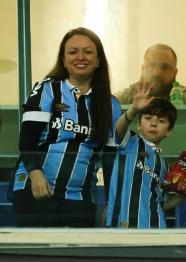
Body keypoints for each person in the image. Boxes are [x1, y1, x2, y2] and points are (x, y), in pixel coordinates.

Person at [10, 27, 122, 227]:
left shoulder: (110, 104)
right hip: (36, 189)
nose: (81, 57)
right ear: (63, 59)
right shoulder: (46, 89)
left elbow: (110, 157)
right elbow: (27, 138)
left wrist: (111, 203)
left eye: (88, 52)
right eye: (73, 51)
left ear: (98, 61)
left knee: (75, 258)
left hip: (80, 199)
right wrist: (35, 174)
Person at [105, 86, 186, 228]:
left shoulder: (165, 166)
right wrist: (133, 110)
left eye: (161, 121)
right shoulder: (130, 141)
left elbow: (162, 203)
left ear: (169, 131)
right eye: (148, 118)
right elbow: (118, 129)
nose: (154, 123)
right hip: (121, 226)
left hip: (156, 229)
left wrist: (185, 194)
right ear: (138, 124)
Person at [115, 43, 186, 105]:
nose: (157, 73)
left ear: (175, 72)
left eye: (165, 67)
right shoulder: (125, 98)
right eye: (151, 66)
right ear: (143, 69)